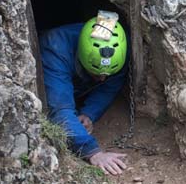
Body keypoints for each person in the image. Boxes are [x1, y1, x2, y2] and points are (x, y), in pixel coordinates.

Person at [39, 16, 129, 175]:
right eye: (96, 72)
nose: (102, 79)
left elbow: (109, 86)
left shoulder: (119, 47)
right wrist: (93, 152)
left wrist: (89, 113)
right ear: (82, 55)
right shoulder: (54, 48)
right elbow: (59, 109)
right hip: (61, 74)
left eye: (108, 74)